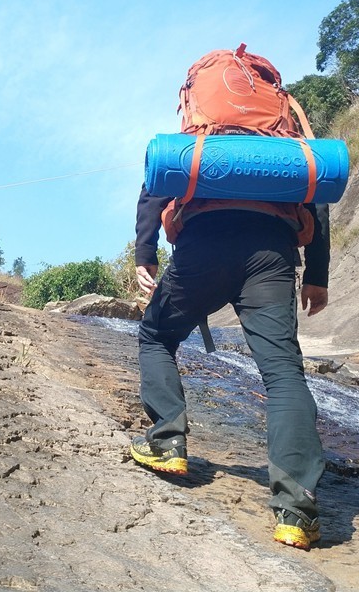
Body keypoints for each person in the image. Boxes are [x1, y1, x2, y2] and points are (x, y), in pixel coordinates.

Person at [129, 92, 331, 551]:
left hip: (203, 243)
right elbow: (317, 203)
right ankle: (296, 512)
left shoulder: (200, 132)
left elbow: (156, 184)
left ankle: (167, 442)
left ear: (198, 95)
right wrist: (316, 275)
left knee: (157, 336)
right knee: (282, 373)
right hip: (272, 252)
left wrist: (146, 252)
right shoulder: (287, 141)